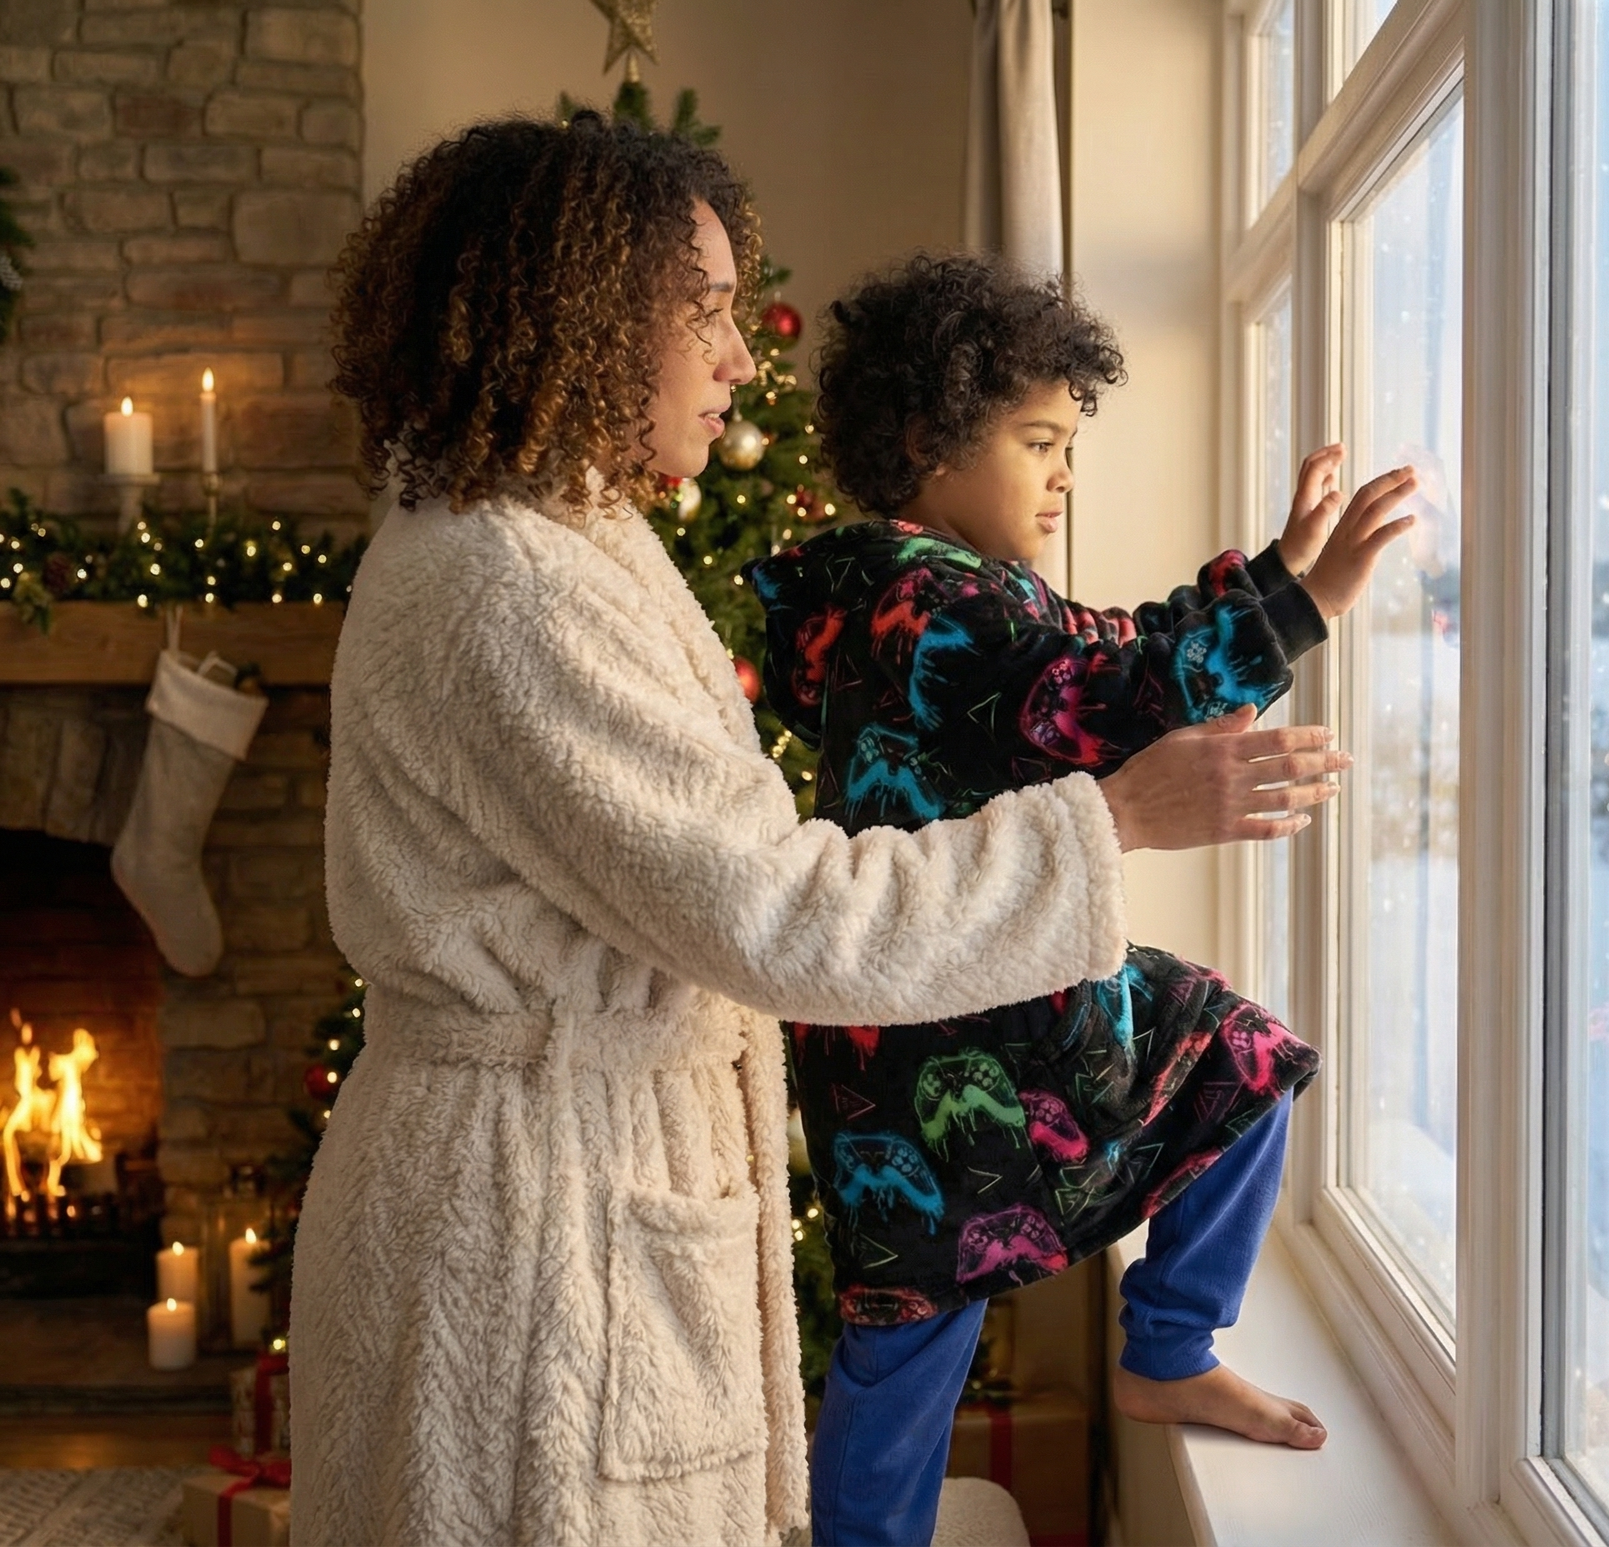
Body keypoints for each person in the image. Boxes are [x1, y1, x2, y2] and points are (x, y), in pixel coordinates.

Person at [292, 115, 1344, 1547]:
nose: (738, 359)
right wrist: (1108, 823)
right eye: (708, 313)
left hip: (568, 1169)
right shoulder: (513, 589)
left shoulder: (552, 539)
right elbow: (776, 909)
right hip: (534, 1230)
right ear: (583, 320)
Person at [748, 254, 1418, 1546]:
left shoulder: (860, 596)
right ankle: (1167, 1345)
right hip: (992, 1024)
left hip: (875, 1040)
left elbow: (1100, 649)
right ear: (922, 443)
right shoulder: (942, 599)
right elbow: (1110, 693)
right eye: (1037, 440)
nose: (1063, 472)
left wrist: (1272, 577)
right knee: (1244, 1055)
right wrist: (1304, 607)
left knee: (899, 1337)